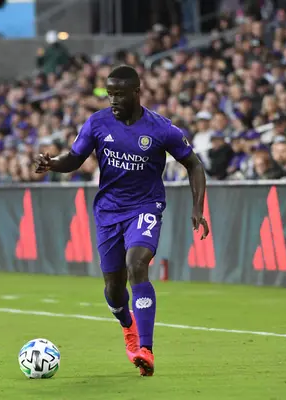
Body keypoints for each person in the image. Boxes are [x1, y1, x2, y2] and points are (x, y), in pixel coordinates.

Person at [34, 65, 209, 376]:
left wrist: (198, 207)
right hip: (109, 211)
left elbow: (194, 164)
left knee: (137, 264)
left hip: (145, 206)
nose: (112, 100)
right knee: (114, 289)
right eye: (108, 93)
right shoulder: (97, 123)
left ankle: (146, 349)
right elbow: (74, 158)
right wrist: (52, 164)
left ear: (136, 93)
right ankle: (127, 323)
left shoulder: (161, 129)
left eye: (119, 94)